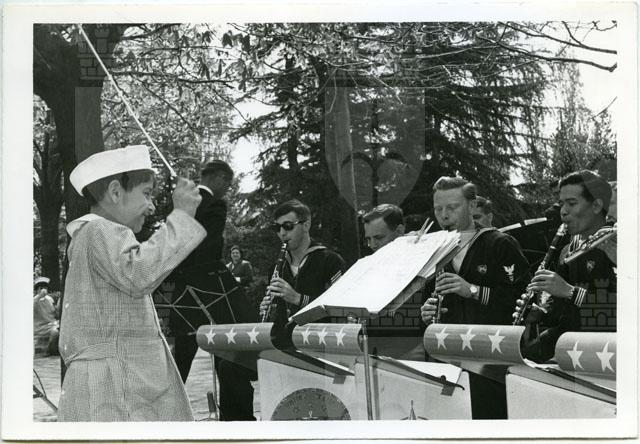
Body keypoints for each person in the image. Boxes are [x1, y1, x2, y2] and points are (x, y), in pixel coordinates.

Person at [58, 145, 204, 421]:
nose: (151, 206)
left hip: (109, 383)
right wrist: (182, 217)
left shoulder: (89, 235)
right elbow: (139, 274)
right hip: (113, 390)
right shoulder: (100, 230)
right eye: (147, 194)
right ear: (115, 192)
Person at [420, 176, 530, 419]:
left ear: (471, 206)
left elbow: (525, 299)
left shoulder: (500, 243)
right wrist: (426, 312)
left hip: (491, 363)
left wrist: (473, 290)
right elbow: (429, 298)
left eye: (452, 207)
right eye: (438, 209)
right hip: (448, 360)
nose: (444, 215)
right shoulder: (435, 248)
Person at [169, 160, 257, 421]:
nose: (227, 189)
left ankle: (165, 415)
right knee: (230, 350)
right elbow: (209, 248)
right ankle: (236, 417)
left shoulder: (184, 201)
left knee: (180, 359)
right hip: (209, 291)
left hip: (183, 291)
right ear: (218, 178)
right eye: (227, 184)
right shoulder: (215, 205)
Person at [514, 170, 616, 362]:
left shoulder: (619, 245)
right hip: (569, 339)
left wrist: (570, 292)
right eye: (561, 204)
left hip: (607, 347)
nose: (563, 211)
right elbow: (562, 308)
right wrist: (540, 312)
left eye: (572, 203)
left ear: (596, 206)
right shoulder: (568, 250)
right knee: (520, 360)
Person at [259, 199, 346, 323]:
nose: (282, 233)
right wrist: (270, 312)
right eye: (277, 228)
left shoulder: (331, 261)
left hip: (318, 334)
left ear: (306, 225)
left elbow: (340, 309)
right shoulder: (276, 268)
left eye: (288, 226)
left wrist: (299, 299)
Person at [33, 276, 59, 356]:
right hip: (42, 327)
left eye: (45, 288)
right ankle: (51, 351)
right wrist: (40, 295)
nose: (43, 290)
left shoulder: (49, 299)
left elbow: (54, 313)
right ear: (37, 290)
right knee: (55, 332)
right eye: (40, 288)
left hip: (53, 324)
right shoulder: (35, 300)